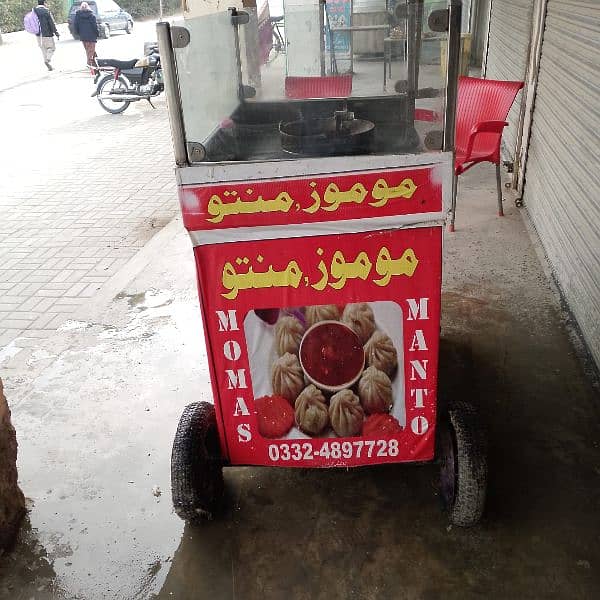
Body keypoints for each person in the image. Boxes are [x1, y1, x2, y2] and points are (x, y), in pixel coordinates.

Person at [34, 0, 59, 71]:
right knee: (52, 48)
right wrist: (56, 33)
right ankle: (47, 60)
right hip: (47, 34)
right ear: (44, 3)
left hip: (38, 35)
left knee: (43, 49)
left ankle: (48, 65)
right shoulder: (46, 11)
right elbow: (51, 23)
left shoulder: (34, 11)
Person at [73, 2, 99, 68]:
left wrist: (77, 34)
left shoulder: (77, 16)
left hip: (83, 37)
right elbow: (94, 26)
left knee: (89, 50)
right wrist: (97, 33)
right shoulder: (92, 15)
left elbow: (75, 26)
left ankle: (96, 62)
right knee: (90, 51)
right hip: (92, 36)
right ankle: (89, 64)